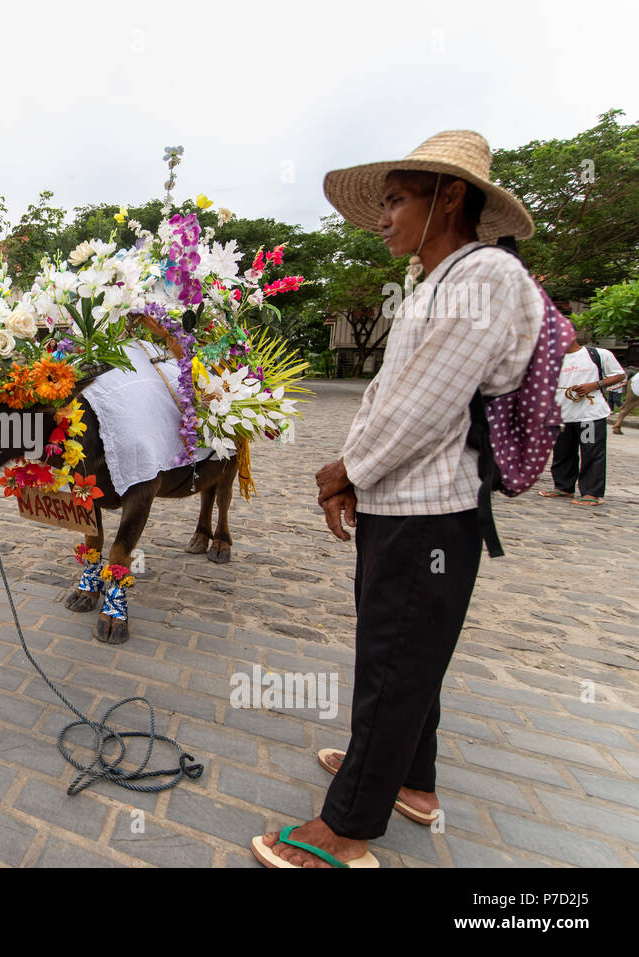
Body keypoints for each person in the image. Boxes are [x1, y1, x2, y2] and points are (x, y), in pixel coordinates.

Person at [252, 131, 543, 869]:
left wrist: (346, 468)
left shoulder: (483, 279)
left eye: (395, 200)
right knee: (412, 653)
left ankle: (347, 827)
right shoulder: (439, 280)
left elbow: (427, 405)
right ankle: (411, 778)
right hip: (405, 500)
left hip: (429, 509)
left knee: (394, 658)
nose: (382, 218)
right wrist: (357, 471)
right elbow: (396, 393)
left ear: (450, 196)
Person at [538, 329, 625, 505]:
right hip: (561, 415)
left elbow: (619, 375)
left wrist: (595, 385)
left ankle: (591, 493)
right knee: (562, 452)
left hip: (589, 415)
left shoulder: (597, 354)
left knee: (591, 452)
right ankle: (563, 487)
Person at [609, 367, 639, 434]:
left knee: (627, 406)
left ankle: (617, 424)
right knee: (628, 406)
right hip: (635, 384)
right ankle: (617, 425)